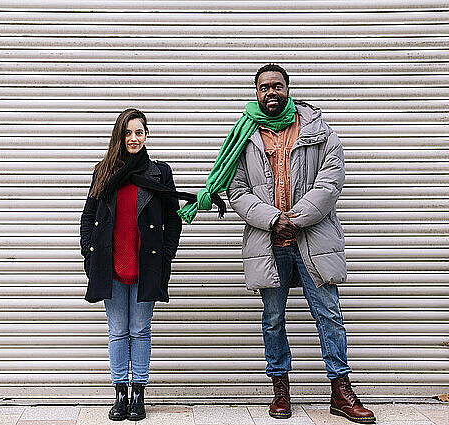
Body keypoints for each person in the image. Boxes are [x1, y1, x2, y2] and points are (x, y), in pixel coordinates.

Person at [178, 64, 375, 424]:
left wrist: (294, 218)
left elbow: (330, 183)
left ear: (287, 89)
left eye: (277, 86)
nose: (271, 92)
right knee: (273, 318)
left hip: (311, 238)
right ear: (256, 93)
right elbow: (236, 191)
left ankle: (341, 391)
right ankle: (280, 389)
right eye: (264, 87)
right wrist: (272, 220)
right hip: (269, 242)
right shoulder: (245, 135)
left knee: (328, 314)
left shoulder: (318, 129)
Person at [80, 108, 182, 421]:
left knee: (139, 331)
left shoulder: (159, 172)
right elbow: (88, 216)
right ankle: (120, 394)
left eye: (139, 132)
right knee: (117, 332)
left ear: (147, 135)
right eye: (128, 133)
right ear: (119, 136)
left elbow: (172, 220)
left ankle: (138, 394)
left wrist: (165, 256)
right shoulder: (104, 171)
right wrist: (90, 251)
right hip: (110, 266)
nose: (133, 138)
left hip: (145, 265)